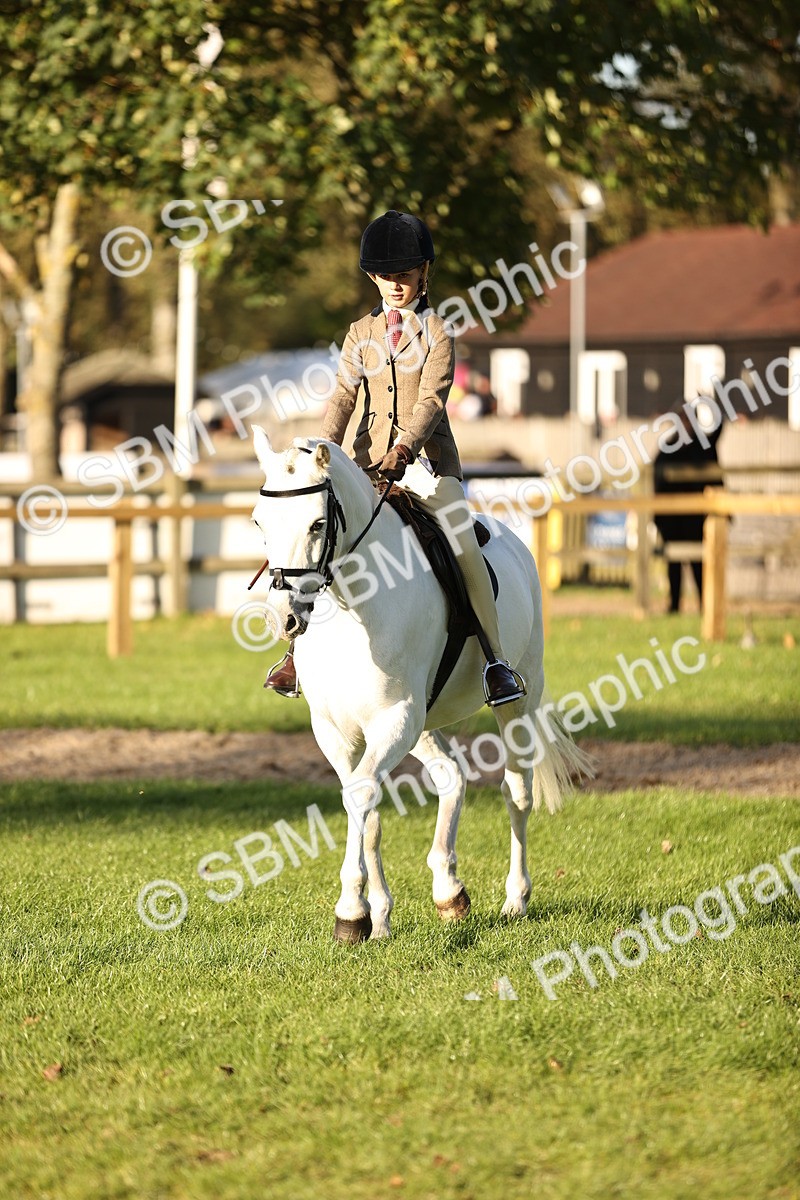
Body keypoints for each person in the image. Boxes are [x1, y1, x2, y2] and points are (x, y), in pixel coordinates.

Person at [265, 209, 526, 706]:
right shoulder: (358, 333)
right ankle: (296, 653)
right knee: (316, 538)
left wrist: (405, 447)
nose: (396, 285)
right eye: (386, 277)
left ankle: (496, 661)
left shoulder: (437, 331)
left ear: (424, 273)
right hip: (366, 466)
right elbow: (343, 396)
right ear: (373, 278)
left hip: (426, 467)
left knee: (464, 546)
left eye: (404, 275)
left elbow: (432, 400)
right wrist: (322, 452)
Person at [653, 398, 725, 613]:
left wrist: (711, 403)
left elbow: (719, 427)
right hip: (673, 519)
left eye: (688, 418)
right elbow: (657, 481)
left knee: (699, 563)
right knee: (673, 563)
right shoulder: (667, 449)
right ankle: (675, 605)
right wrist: (659, 516)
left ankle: (705, 606)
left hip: (696, 517)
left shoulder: (703, 445)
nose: (684, 423)